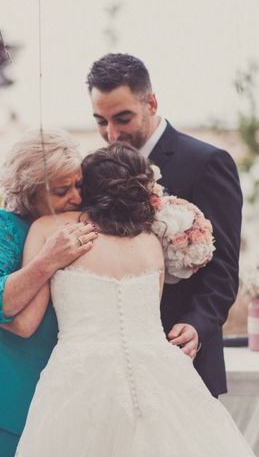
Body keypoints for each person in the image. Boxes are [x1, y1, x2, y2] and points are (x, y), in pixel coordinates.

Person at [13, 143, 256, 457]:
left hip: (79, 378)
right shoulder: (152, 243)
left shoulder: (51, 229)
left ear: (88, 188)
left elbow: (24, 320)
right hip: (161, 375)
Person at [86, 53, 243, 397]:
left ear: (152, 102)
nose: (111, 134)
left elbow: (224, 269)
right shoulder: (94, 172)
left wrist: (197, 325)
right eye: (101, 121)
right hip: (113, 363)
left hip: (182, 356)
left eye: (122, 118)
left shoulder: (207, 163)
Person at [0, 128, 99, 457]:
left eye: (79, 186)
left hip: (58, 398)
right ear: (28, 191)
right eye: (62, 190)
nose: (75, 197)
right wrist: (47, 260)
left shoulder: (79, 227)